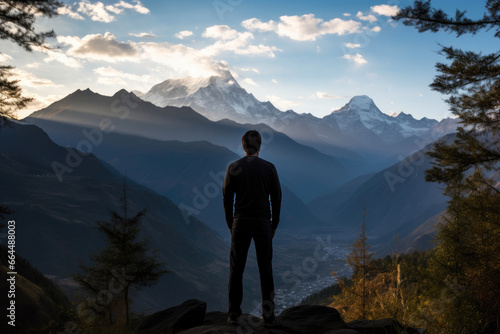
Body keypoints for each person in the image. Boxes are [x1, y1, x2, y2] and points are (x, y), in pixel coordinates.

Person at [223, 129, 282, 327]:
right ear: (259, 146)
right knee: (265, 269)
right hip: (263, 222)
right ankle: (269, 316)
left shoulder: (233, 167)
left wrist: (231, 223)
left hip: (241, 221)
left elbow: (226, 198)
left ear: (243, 146)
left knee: (236, 269)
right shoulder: (269, 168)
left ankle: (233, 315)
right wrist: (274, 224)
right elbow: (277, 197)